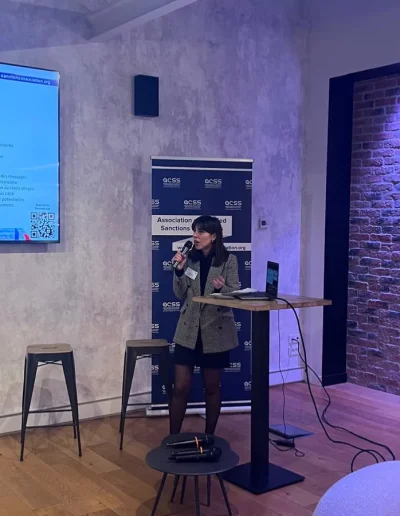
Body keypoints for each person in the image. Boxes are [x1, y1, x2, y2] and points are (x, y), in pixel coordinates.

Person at [169, 215, 240, 435]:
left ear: (214, 236)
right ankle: (173, 438)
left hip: (215, 331)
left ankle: (210, 437)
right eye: (194, 231)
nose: (195, 236)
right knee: (180, 387)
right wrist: (179, 271)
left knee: (211, 387)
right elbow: (180, 293)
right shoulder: (190, 259)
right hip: (188, 330)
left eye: (200, 232)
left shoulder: (229, 260)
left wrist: (221, 289)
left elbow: (234, 294)